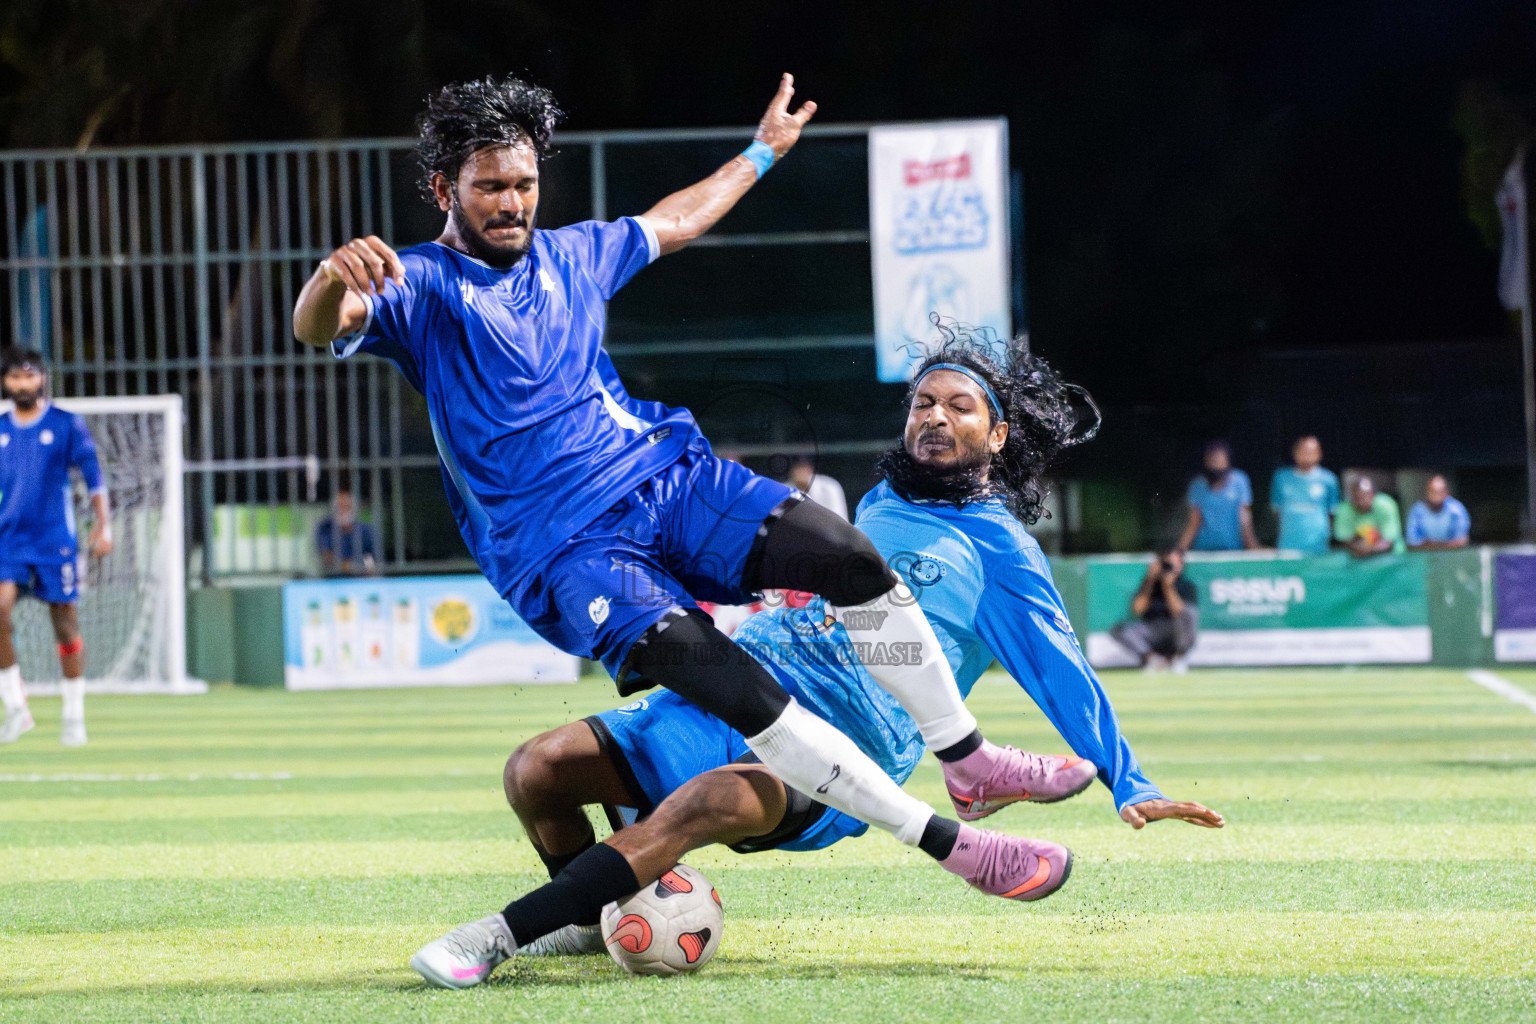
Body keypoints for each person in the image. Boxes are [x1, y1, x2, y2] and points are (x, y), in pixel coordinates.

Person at [292, 73, 1071, 941]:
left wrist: (762, 154)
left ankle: (967, 761)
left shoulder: (575, 254)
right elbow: (320, 326)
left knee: (848, 559)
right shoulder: (424, 284)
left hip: (670, 481)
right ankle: (943, 845)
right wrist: (329, 278)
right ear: (445, 190)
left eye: (524, 185)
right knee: (743, 694)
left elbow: (678, 218)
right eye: (491, 188)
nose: (512, 204)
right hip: (568, 550)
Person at [409, 323, 1224, 987]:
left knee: (703, 805)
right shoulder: (874, 504)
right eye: (923, 403)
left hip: (835, 755)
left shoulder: (1003, 552)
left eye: (960, 407)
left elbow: (1062, 672)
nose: (934, 418)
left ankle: (502, 934)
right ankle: (590, 920)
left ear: (998, 433)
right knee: (535, 771)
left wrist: (1130, 778)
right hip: (727, 698)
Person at [0, 349, 113, 747]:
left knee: (64, 622)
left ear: (42, 380)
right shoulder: (0, 429)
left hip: (54, 541)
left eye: (29, 377)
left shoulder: (66, 425)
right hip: (9, 540)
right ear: (5, 383)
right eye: (15, 377)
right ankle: (15, 707)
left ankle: (73, 713)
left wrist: (104, 527)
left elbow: (94, 478)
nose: (22, 384)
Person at [1109, 550, 1199, 672]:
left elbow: (1179, 612)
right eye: (1167, 564)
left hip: (1175, 630)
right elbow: (1138, 609)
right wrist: (1150, 580)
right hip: (1153, 629)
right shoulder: (1151, 584)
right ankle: (1152, 660)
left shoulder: (1186, 585)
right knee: (1120, 630)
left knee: (1189, 615)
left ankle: (1180, 658)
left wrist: (1168, 586)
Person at [1176, 440, 1258, 552]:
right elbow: (1194, 521)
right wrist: (1179, 550)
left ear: (1228, 461)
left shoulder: (1240, 480)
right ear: (1206, 461)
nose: (1216, 464)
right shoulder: (1197, 485)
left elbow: (1245, 518)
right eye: (1212, 460)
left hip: (1233, 549)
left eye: (1220, 459)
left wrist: (1253, 547)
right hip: (1203, 550)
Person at [1269, 435, 1339, 554]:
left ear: (1319, 453)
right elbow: (1277, 511)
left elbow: (1332, 513)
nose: (1308, 455)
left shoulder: (1329, 479)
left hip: (1317, 546)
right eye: (1304, 451)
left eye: (1312, 451)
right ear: (1294, 453)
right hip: (1288, 544)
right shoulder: (1281, 478)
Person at [1333, 476, 1404, 557]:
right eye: (1357, 498)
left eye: (1364, 496)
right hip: (1357, 558)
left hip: (1390, 556)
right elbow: (1343, 539)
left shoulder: (1386, 505)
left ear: (1373, 495)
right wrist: (1359, 547)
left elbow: (1389, 540)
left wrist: (1368, 549)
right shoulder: (1344, 509)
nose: (1361, 502)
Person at [314, 488, 380, 575]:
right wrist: (352, 566)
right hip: (333, 579)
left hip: (361, 579)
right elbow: (328, 558)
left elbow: (372, 560)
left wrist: (357, 567)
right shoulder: (325, 528)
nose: (343, 511)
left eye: (347, 507)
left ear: (354, 509)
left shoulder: (366, 531)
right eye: (339, 507)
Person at [1405, 475, 1470, 550]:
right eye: (1433, 491)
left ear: (1447, 492)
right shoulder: (1417, 511)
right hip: (1424, 557)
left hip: (1453, 557)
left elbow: (1461, 542)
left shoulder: (1457, 510)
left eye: (1440, 492)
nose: (1436, 496)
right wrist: (1447, 544)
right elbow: (1412, 543)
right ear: (1426, 492)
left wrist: (1431, 544)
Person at [788, 455, 849, 521]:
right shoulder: (786, 489)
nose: (801, 472)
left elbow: (841, 522)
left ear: (811, 468)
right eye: (797, 467)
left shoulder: (830, 487)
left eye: (804, 467)